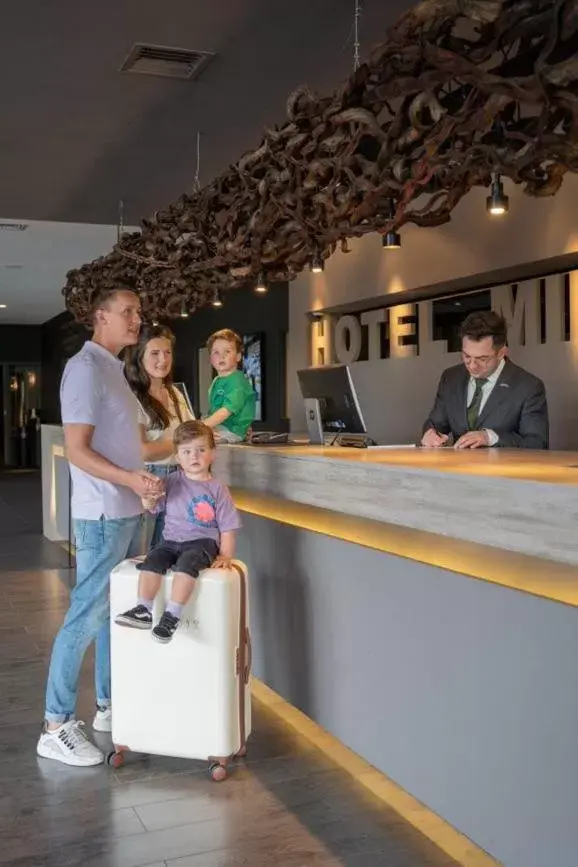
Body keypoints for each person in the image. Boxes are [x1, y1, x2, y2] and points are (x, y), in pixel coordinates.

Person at [37, 286, 162, 767]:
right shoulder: (84, 369)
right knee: (85, 617)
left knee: (116, 613)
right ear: (100, 317)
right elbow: (79, 450)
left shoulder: (114, 370)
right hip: (103, 515)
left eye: (138, 311)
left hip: (129, 509)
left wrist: (146, 476)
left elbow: (128, 446)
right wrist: (130, 478)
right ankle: (55, 723)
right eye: (127, 311)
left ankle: (109, 706)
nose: (136, 319)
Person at [115, 420, 241, 644]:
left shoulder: (218, 489)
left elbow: (228, 526)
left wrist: (225, 555)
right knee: (152, 561)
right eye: (187, 451)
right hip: (170, 540)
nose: (194, 456)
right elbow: (152, 507)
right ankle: (143, 608)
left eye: (201, 450)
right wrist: (147, 497)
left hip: (201, 543)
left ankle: (172, 615)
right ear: (177, 456)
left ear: (212, 453)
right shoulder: (170, 482)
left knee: (187, 565)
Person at [421, 310, 549, 450]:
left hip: (502, 471)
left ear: (501, 353)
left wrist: (490, 437)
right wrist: (430, 433)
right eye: (467, 356)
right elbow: (435, 423)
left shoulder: (528, 387)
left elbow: (537, 443)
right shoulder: (451, 378)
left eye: (482, 359)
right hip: (457, 470)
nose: (472, 365)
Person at [124, 324, 194, 549]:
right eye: (154, 353)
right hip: (149, 481)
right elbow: (142, 452)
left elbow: (192, 432)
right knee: (141, 556)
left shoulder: (175, 393)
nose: (163, 360)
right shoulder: (132, 397)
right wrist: (179, 440)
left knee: (168, 554)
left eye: (167, 352)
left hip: (179, 479)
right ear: (139, 356)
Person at [203, 329, 256, 443]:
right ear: (210, 358)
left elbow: (226, 411)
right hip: (220, 427)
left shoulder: (238, 381)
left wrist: (201, 427)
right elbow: (214, 409)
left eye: (227, 351)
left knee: (195, 439)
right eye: (216, 352)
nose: (221, 356)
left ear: (238, 356)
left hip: (232, 431)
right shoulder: (217, 381)